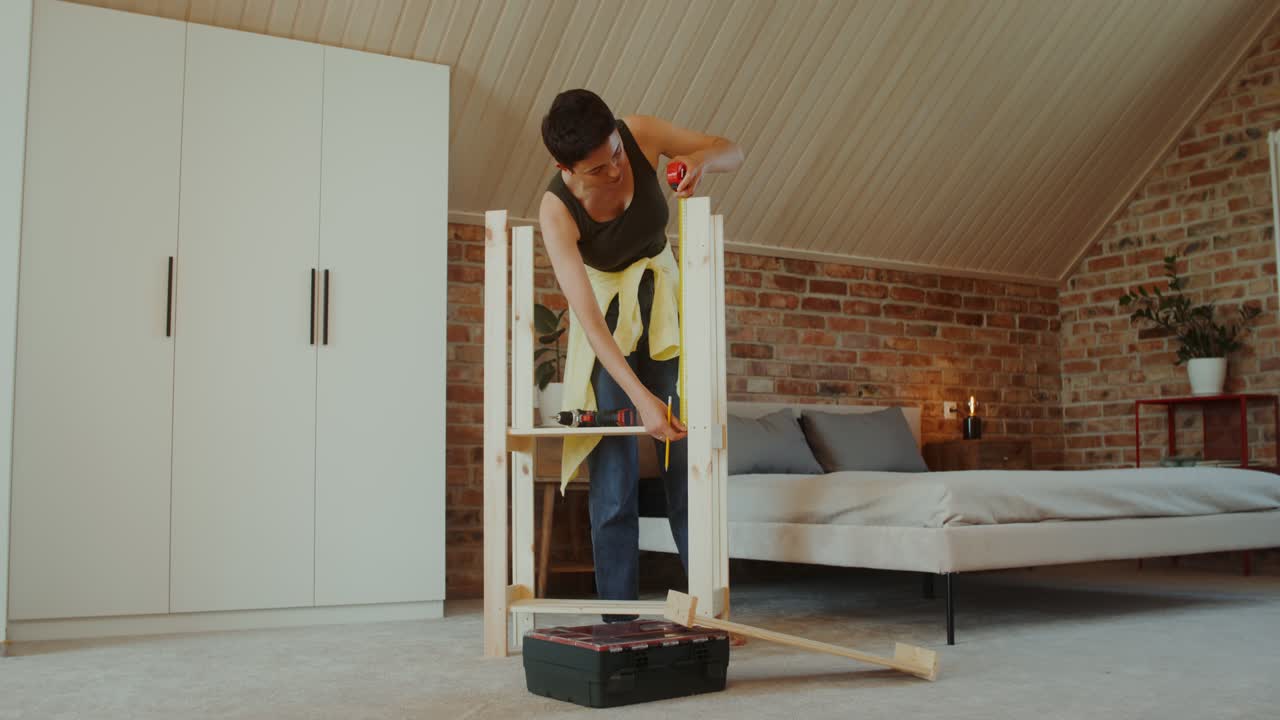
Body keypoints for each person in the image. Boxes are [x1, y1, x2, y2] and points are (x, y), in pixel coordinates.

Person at [538, 89, 743, 621]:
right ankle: (618, 622)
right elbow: (585, 316)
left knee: (687, 466)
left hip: (666, 307)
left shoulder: (639, 133)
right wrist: (642, 399)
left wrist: (698, 160)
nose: (615, 170)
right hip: (607, 325)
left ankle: (709, 614)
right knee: (614, 479)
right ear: (564, 166)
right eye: (597, 168)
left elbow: (733, 149)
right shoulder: (556, 211)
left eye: (616, 155)